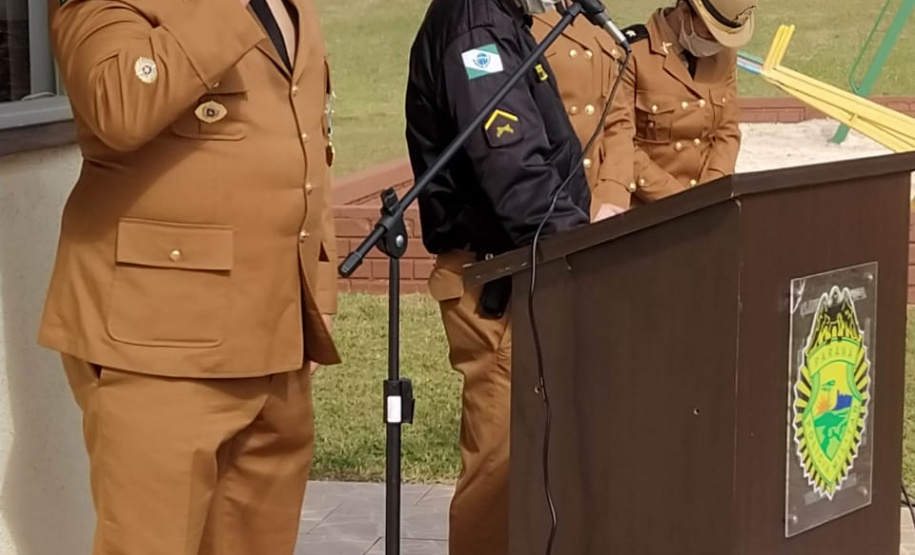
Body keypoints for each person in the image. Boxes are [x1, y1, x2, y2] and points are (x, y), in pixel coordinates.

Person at [38, 0, 339, 553]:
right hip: (159, 344)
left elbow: (309, 138)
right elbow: (117, 105)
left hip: (276, 340)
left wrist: (317, 293)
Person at [405, 0, 592, 553]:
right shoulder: (476, 29)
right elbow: (516, 175)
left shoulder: (502, 20)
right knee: (500, 475)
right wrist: (585, 253)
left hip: (521, 276)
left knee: (532, 466)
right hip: (497, 283)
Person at [603, 0, 757, 205]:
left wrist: (711, 191)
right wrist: (681, 201)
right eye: (710, 33)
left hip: (710, 203)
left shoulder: (723, 54)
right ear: (684, 11)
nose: (716, 44)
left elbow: (727, 131)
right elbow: (619, 141)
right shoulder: (633, 54)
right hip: (648, 205)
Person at [531, 9, 630, 219]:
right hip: (555, 203)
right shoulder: (522, 17)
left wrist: (613, 191)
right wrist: (590, 206)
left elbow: (618, 121)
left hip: (605, 200)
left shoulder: (591, 12)